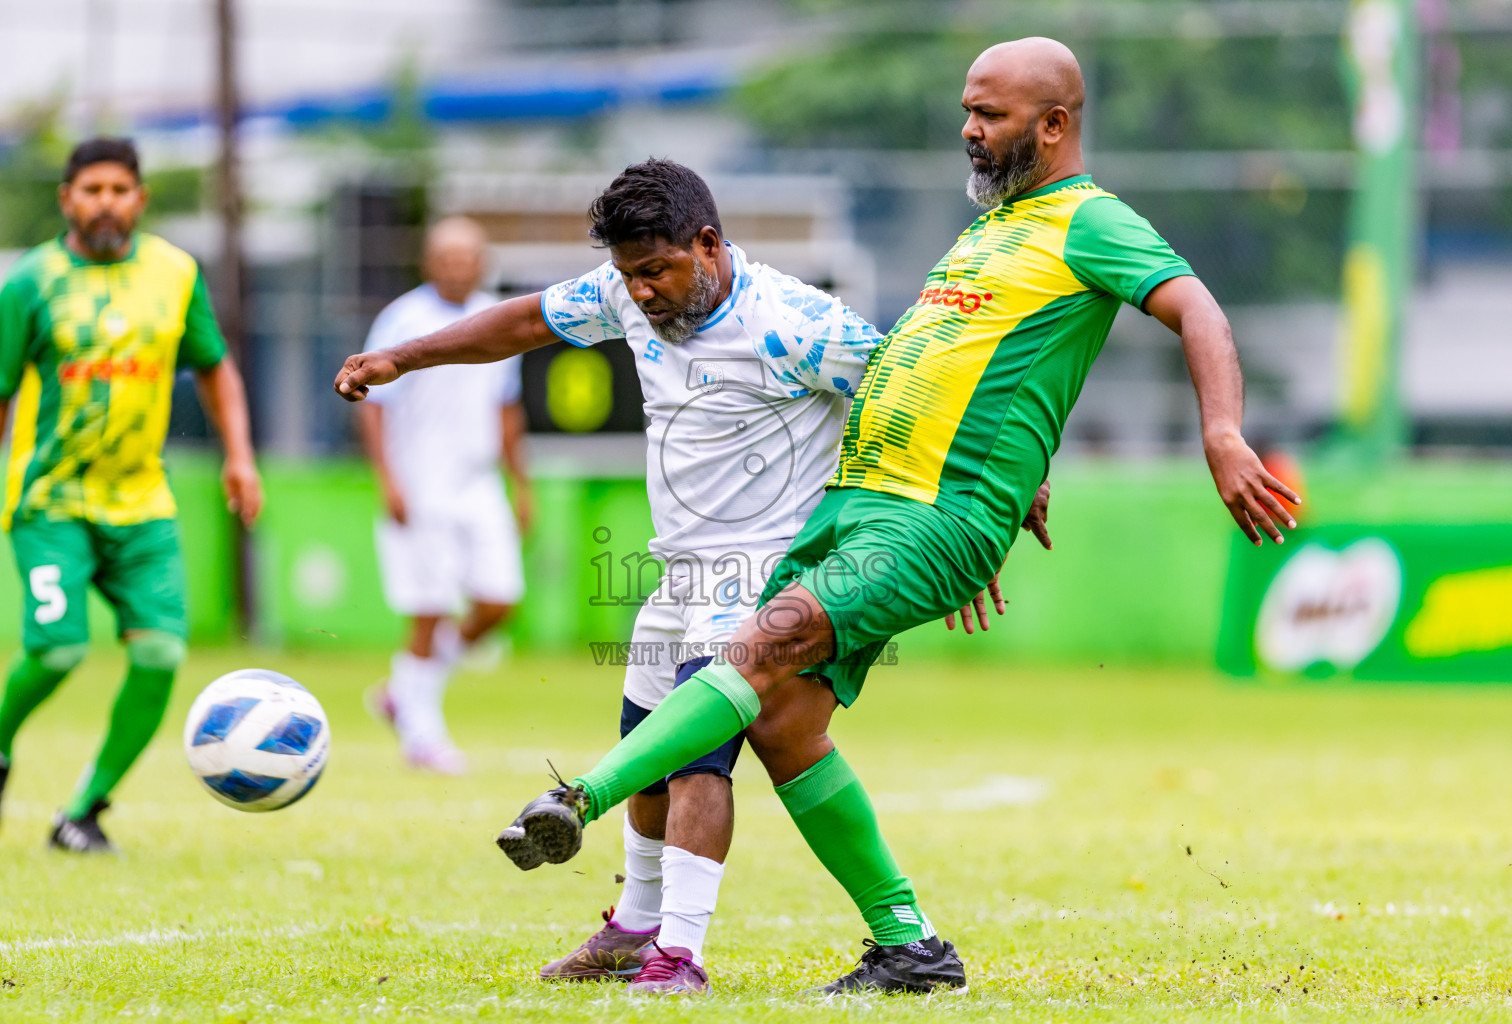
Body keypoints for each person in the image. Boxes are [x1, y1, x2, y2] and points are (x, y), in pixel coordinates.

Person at [479, 36, 1303, 995]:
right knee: (784, 721)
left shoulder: (1091, 221)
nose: (968, 129)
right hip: (862, 502)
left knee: (758, 649)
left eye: (989, 115)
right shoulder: (993, 229)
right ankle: (909, 947)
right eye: (967, 108)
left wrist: (1222, 433)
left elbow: (1196, 306)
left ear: (1054, 125)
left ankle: (581, 797)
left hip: (931, 513)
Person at [334, 159, 995, 995]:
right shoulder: (624, 291)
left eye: (656, 272)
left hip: (767, 574)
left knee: (694, 762)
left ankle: (678, 954)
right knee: (669, 745)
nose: (640, 293)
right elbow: (524, 323)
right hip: (679, 569)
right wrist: (403, 357)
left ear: (709, 245)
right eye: (627, 275)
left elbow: (924, 403)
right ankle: (648, 928)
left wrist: (985, 511)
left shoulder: (799, 323)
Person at [0, 137, 262, 853]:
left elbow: (215, 367)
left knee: (161, 657)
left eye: (119, 189)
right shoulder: (29, 282)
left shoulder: (175, 273)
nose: (106, 201)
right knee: (59, 650)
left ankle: (84, 811)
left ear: (140, 198)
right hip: (51, 503)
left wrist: (240, 458)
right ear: (67, 199)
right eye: (91, 189)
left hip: (141, 505)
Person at [357, 217, 531, 775]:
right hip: (422, 479)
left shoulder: (497, 317)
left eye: (468, 257)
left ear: (482, 262)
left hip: (479, 481)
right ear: (429, 262)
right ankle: (422, 734)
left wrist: (519, 483)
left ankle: (403, 693)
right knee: (429, 609)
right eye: (447, 257)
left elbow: (507, 405)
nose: (458, 266)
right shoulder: (403, 318)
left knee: (500, 601)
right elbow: (374, 405)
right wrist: (388, 478)